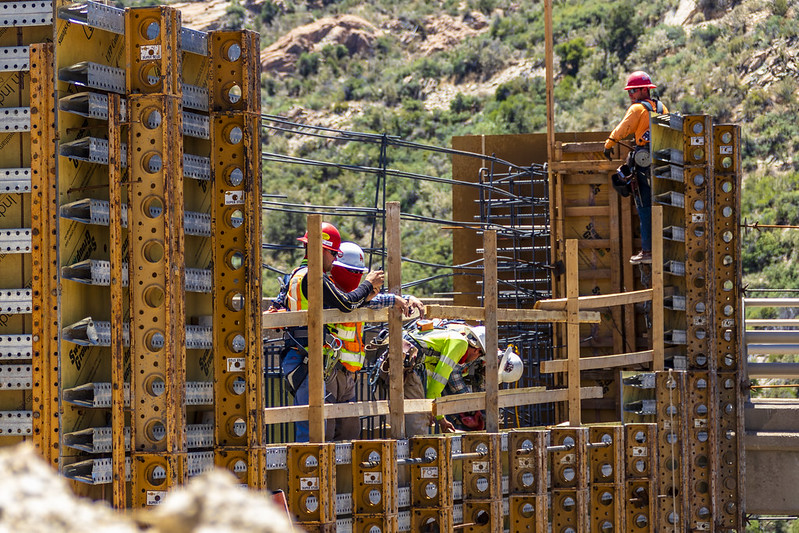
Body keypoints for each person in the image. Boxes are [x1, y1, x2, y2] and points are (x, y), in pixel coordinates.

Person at [280, 222, 384, 442]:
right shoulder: (313, 278)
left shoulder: (297, 274)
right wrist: (367, 285)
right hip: (307, 359)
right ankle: (313, 473)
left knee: (321, 428)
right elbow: (346, 304)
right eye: (334, 255)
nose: (335, 261)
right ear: (323, 250)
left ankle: (319, 472)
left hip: (301, 357)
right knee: (316, 433)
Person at [324, 241, 425, 441]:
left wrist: (403, 299)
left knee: (350, 433)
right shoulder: (331, 291)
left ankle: (344, 472)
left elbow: (372, 301)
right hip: (329, 371)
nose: (354, 277)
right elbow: (350, 301)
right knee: (325, 432)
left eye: (357, 273)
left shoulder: (356, 297)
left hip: (348, 373)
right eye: (350, 272)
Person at [603, 70, 669, 265]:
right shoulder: (661, 107)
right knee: (661, 204)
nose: (630, 95)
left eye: (633, 91)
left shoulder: (637, 109)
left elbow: (623, 129)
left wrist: (608, 144)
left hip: (644, 163)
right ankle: (664, 247)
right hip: (662, 160)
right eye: (629, 92)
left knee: (643, 205)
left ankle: (648, 250)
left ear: (643, 90)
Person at [402, 323, 487, 435]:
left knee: (419, 415)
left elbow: (431, 380)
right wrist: (441, 419)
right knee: (419, 425)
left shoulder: (446, 342)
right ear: (477, 350)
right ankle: (416, 451)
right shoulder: (460, 344)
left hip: (405, 359)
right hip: (406, 360)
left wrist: (432, 410)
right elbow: (438, 381)